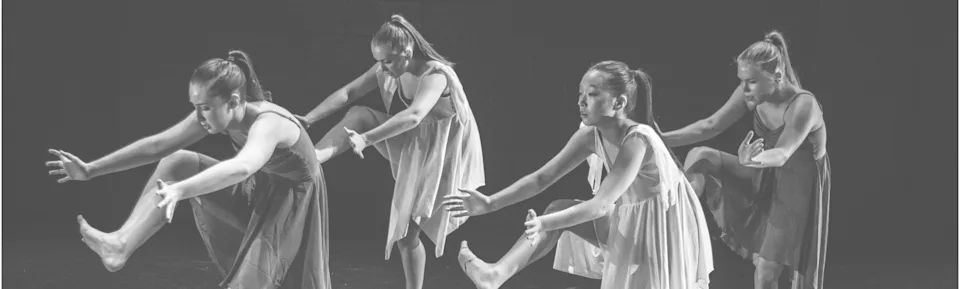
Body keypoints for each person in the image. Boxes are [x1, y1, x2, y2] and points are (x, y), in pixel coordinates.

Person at [46, 50, 331, 289]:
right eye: (195, 106)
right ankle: (120, 245)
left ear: (233, 101)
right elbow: (158, 145)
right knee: (177, 160)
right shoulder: (214, 113)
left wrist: (181, 190)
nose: (198, 116)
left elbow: (243, 167)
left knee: (249, 282)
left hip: (292, 205)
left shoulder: (269, 123)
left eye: (205, 108)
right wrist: (90, 169)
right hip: (260, 189)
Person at [443, 61, 713, 289]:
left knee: (557, 215)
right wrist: (490, 203)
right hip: (630, 217)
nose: (581, 101)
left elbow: (602, 204)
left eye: (592, 94)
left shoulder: (638, 139)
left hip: (661, 230)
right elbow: (541, 179)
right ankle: (495, 275)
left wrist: (545, 224)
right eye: (580, 93)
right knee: (557, 208)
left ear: (619, 102)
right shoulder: (589, 135)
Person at [296, 15, 485, 289]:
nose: (382, 68)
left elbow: (414, 115)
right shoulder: (389, 68)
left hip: (443, 155)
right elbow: (349, 92)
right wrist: (309, 119)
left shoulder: (436, 75)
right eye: (379, 61)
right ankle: (311, 158)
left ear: (407, 53)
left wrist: (366, 139)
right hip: (417, 143)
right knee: (358, 113)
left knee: (406, 236)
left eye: (387, 60)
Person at [660, 31, 831, 289]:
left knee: (765, 274)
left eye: (751, 81)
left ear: (777, 76)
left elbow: (782, 153)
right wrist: (659, 137)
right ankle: (677, 227)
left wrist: (752, 160)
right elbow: (711, 125)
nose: (744, 88)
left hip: (797, 187)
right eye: (741, 80)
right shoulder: (753, 91)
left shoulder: (803, 104)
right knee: (700, 156)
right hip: (761, 172)